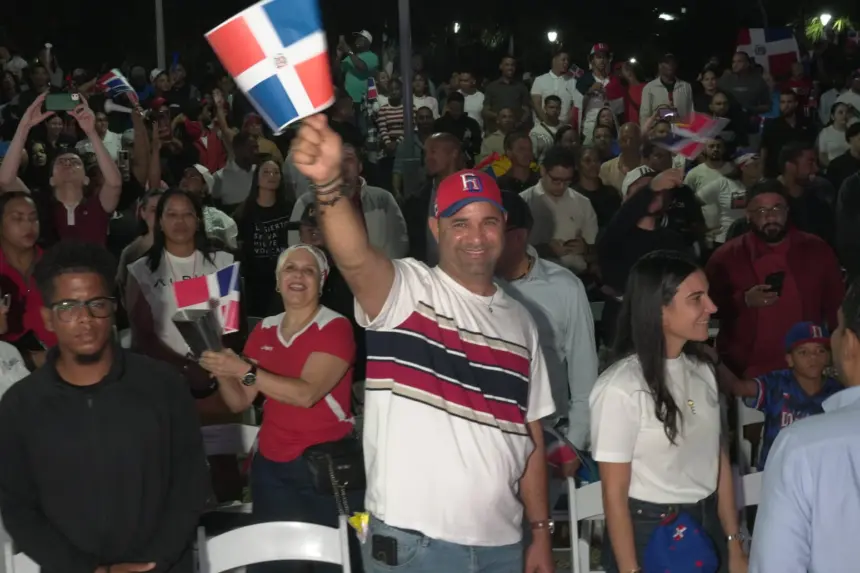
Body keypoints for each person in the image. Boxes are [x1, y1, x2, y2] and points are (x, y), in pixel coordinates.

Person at [291, 115, 556, 573]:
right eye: (461, 223)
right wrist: (329, 184)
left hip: (503, 546)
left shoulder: (523, 323)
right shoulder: (407, 291)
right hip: (417, 549)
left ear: (504, 228)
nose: (476, 237)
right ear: (436, 229)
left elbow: (529, 435)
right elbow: (354, 257)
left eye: (488, 222)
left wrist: (539, 532)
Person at [0, 241, 210, 573]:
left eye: (96, 303)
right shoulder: (21, 406)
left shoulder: (163, 385)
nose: (85, 319)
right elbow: (17, 507)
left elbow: (191, 484)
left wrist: (153, 562)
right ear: (48, 318)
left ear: (113, 308)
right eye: (68, 306)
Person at [200, 244, 362, 573]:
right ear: (277, 281)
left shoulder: (336, 327)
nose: (298, 276)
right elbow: (240, 401)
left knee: (332, 561)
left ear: (322, 280)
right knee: (273, 563)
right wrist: (221, 372)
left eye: (308, 270)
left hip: (325, 470)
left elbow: (306, 394)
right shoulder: (264, 330)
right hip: (271, 468)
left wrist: (241, 370)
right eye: (290, 269)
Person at [590, 248, 747, 573]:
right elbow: (614, 495)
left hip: (707, 524)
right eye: (696, 298)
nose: (712, 307)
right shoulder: (621, 388)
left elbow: (720, 462)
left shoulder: (703, 370)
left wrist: (734, 543)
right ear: (660, 310)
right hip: (651, 531)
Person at [749, 279, 860, 572]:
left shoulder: (802, 446)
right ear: (789, 358)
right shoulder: (777, 386)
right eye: (804, 352)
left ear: (848, 344)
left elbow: (776, 564)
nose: (814, 357)